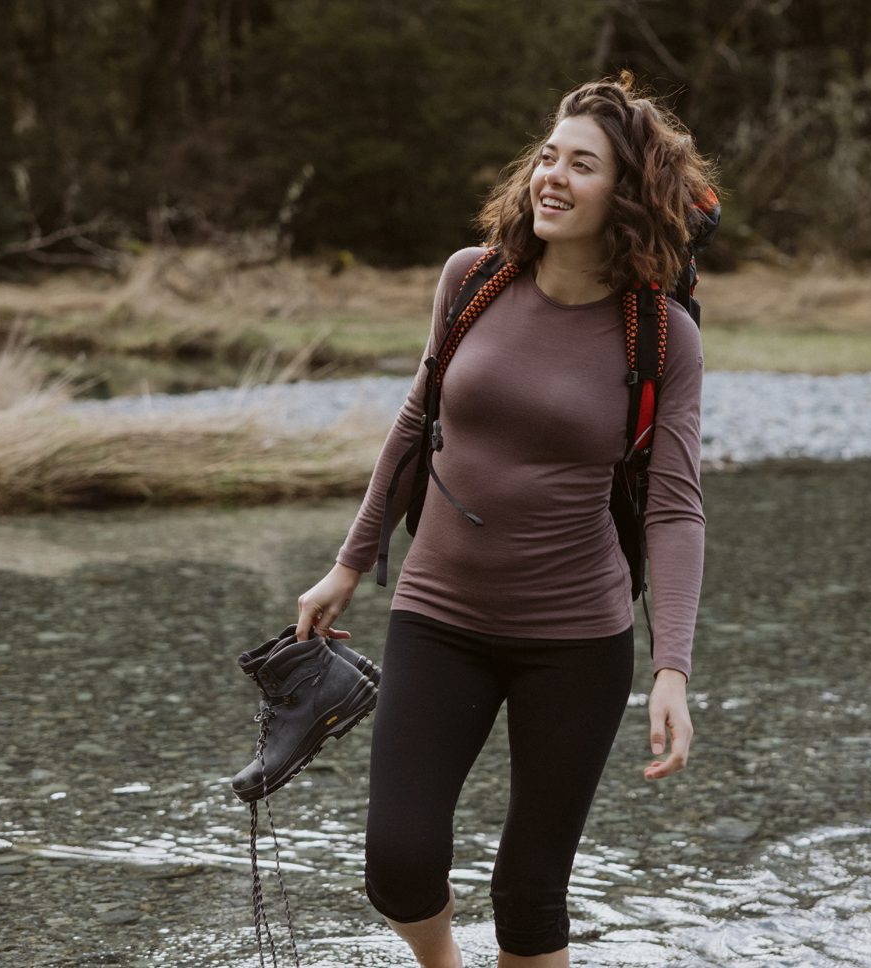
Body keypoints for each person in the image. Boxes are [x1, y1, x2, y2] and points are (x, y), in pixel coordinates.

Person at [293, 75, 712, 968]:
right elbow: (414, 426)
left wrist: (671, 666)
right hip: (438, 613)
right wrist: (349, 565)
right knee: (398, 862)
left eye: (583, 165)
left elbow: (675, 507)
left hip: (576, 639)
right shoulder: (472, 279)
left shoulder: (663, 337)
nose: (552, 177)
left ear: (627, 194)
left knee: (529, 894)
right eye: (548, 157)